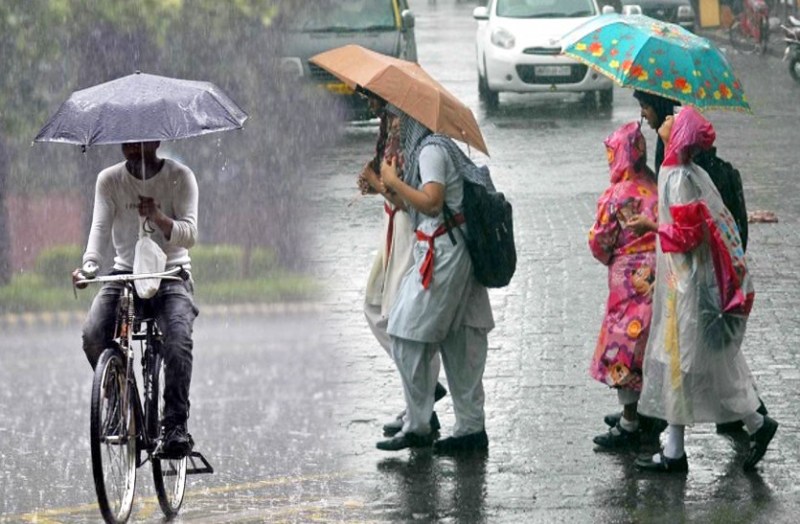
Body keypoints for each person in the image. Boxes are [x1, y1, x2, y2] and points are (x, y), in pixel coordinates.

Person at [627, 107, 778, 473]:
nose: (665, 120)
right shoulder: (680, 172)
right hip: (684, 285)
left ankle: (683, 451)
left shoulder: (680, 178)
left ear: (677, 136)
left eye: (671, 122)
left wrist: (651, 225)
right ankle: (737, 430)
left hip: (688, 289)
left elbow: (687, 236)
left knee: (688, 364)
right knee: (702, 365)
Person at [374, 105, 495, 453]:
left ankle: (419, 425)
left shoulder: (430, 151)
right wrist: (387, 185)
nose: (394, 125)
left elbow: (431, 202)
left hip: (443, 254)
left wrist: (395, 181)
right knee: (460, 342)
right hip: (449, 251)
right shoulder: (435, 149)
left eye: (398, 117)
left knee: (404, 333)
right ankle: (470, 428)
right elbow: (416, 205)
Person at [72, 140, 199, 459]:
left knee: (178, 341)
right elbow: (99, 229)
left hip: (171, 275)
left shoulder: (181, 177)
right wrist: (88, 267)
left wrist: (158, 217)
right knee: (93, 334)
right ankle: (118, 401)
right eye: (126, 142)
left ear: (155, 142)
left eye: (139, 142)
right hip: (124, 274)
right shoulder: (109, 180)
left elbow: (191, 235)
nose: (132, 148)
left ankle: (174, 427)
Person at [357, 94, 448, 436]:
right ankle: (424, 391)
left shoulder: (409, 133)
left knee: (402, 320)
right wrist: (375, 184)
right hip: (391, 228)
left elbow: (406, 197)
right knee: (377, 308)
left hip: (409, 231)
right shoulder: (389, 127)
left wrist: (377, 180)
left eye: (368, 96)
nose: (367, 104)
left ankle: (420, 406)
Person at [588, 121, 664, 450]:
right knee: (648, 345)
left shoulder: (617, 195)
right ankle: (647, 411)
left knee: (624, 348)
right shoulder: (656, 184)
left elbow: (600, 242)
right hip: (658, 274)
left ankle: (630, 421)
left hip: (628, 282)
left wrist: (611, 256)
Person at [632, 90, 680, 176]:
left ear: (659, 107)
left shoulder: (679, 145)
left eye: (645, 107)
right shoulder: (665, 135)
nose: (642, 114)